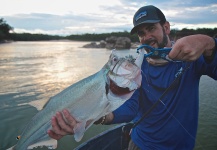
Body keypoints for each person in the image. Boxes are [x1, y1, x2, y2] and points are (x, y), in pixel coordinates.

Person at [47, 5, 217, 150]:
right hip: (140, 144)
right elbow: (131, 107)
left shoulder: (192, 56)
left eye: (151, 29)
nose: (146, 37)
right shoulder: (136, 68)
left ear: (166, 28)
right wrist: (94, 116)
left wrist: (209, 44)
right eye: (141, 33)